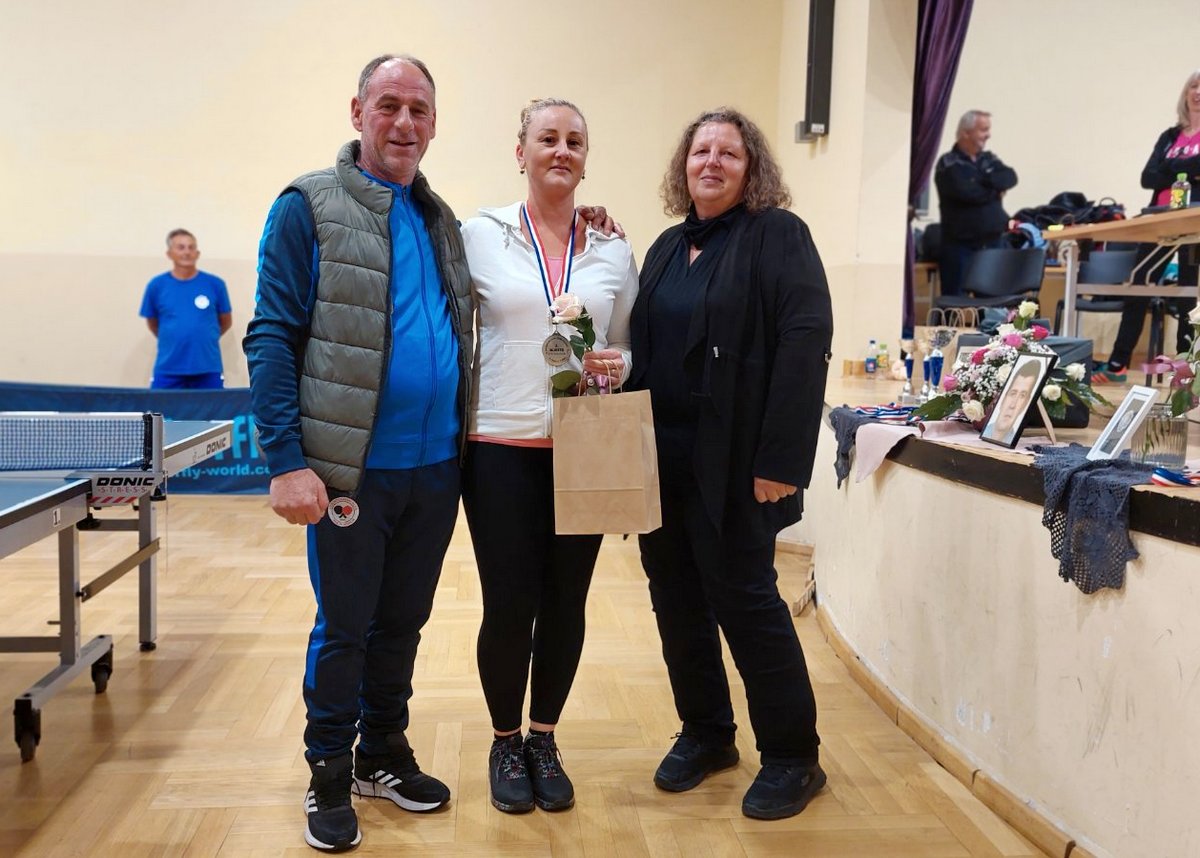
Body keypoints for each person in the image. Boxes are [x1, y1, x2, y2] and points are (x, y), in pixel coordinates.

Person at [243, 54, 471, 854]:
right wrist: (284, 459)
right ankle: (330, 773)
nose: (404, 122)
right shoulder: (307, 205)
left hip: (435, 468)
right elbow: (271, 335)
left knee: (403, 622)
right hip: (351, 472)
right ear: (357, 111)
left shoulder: (440, 217)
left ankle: (382, 753)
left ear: (434, 123)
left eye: (419, 109)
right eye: (389, 105)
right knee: (346, 627)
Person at [627, 108, 833, 821]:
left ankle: (793, 756)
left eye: (729, 153)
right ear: (683, 165)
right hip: (663, 461)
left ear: (752, 170)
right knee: (676, 601)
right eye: (700, 151)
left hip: (740, 463)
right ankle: (707, 733)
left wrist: (782, 459)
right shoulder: (665, 246)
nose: (711, 162)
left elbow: (806, 344)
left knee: (746, 602)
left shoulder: (777, 235)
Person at [460, 98, 638, 815]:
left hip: (585, 442)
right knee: (509, 604)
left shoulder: (613, 248)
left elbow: (626, 340)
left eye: (575, 141)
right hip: (499, 445)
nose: (561, 150)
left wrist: (618, 363)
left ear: (585, 159)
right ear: (521, 152)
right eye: (548, 138)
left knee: (567, 603)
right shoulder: (480, 234)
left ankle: (544, 738)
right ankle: (505, 741)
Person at [1093, 70, 1200, 384]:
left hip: (1193, 221)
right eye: (1193, 86)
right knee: (1138, 283)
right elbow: (1147, 177)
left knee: (1187, 294)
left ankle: (1183, 367)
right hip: (1159, 219)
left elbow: (1162, 171)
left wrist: (1170, 168)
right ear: (1185, 93)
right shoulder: (1170, 136)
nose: (1198, 92)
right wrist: (1188, 170)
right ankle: (1117, 365)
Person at [934, 110, 1018, 296]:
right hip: (959, 247)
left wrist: (981, 181)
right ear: (966, 132)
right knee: (955, 304)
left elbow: (1010, 177)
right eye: (983, 130)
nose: (988, 135)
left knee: (993, 302)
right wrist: (995, 190)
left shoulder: (989, 159)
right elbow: (967, 193)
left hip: (993, 243)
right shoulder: (948, 163)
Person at [139, 228, 232, 389]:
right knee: (161, 407)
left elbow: (225, 322)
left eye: (191, 247)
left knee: (213, 407)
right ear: (169, 253)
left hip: (208, 368)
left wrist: (205, 337)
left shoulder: (215, 284)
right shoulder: (157, 285)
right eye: (181, 247)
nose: (187, 252)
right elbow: (153, 323)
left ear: (198, 253)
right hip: (168, 369)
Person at [986, 358, 1040, 444]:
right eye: (1013, 393)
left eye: (1022, 396)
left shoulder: (1012, 440)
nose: (1012, 405)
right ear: (1003, 397)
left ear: (1026, 404)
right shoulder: (985, 432)